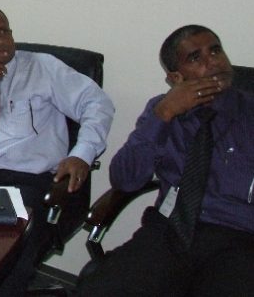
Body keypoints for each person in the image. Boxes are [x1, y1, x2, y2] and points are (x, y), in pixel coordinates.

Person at [0, 5, 114, 296]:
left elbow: (97, 104)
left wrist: (82, 153)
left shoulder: (44, 68)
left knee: (6, 249)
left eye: (4, 31)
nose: (0, 40)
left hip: (27, 181)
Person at [76, 25, 254, 297]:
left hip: (237, 237)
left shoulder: (249, 111)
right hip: (170, 229)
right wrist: (164, 115)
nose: (213, 61)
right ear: (176, 77)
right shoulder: (161, 109)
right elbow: (125, 179)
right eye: (196, 57)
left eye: (216, 50)